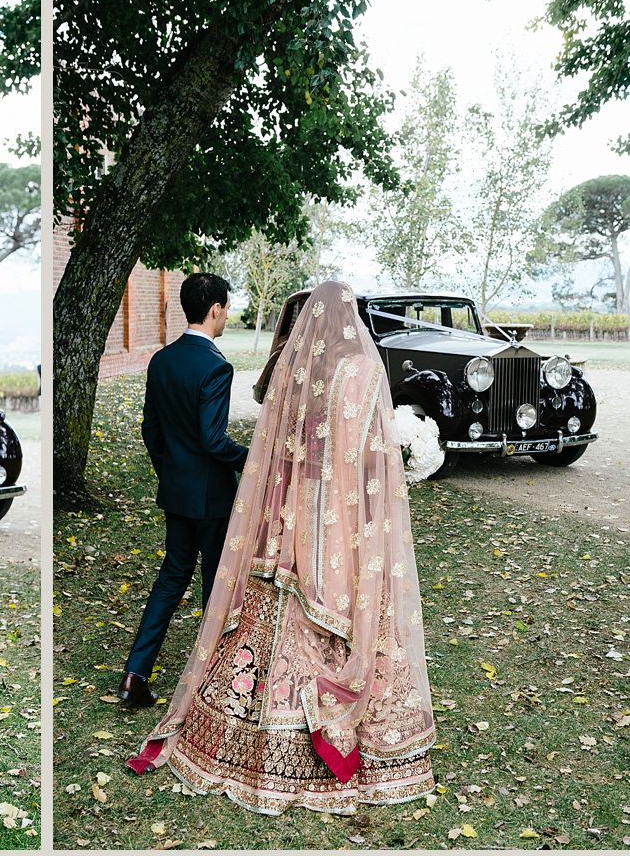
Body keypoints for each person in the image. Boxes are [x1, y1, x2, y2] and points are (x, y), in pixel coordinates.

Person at [127, 280, 436, 815]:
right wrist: (397, 454)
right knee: (314, 596)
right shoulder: (361, 371)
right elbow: (359, 450)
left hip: (269, 504)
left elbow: (165, 430)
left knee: (213, 590)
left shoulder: (288, 370)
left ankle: (166, 679)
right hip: (331, 508)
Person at [119, 273, 249, 708]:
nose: (227, 315)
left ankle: (135, 675)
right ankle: (213, 681)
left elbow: (150, 429)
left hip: (176, 493)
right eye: (227, 308)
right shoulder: (216, 366)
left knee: (171, 581)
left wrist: (169, 472)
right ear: (215, 308)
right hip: (212, 498)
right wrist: (251, 458)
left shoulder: (162, 360)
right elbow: (214, 440)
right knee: (217, 585)